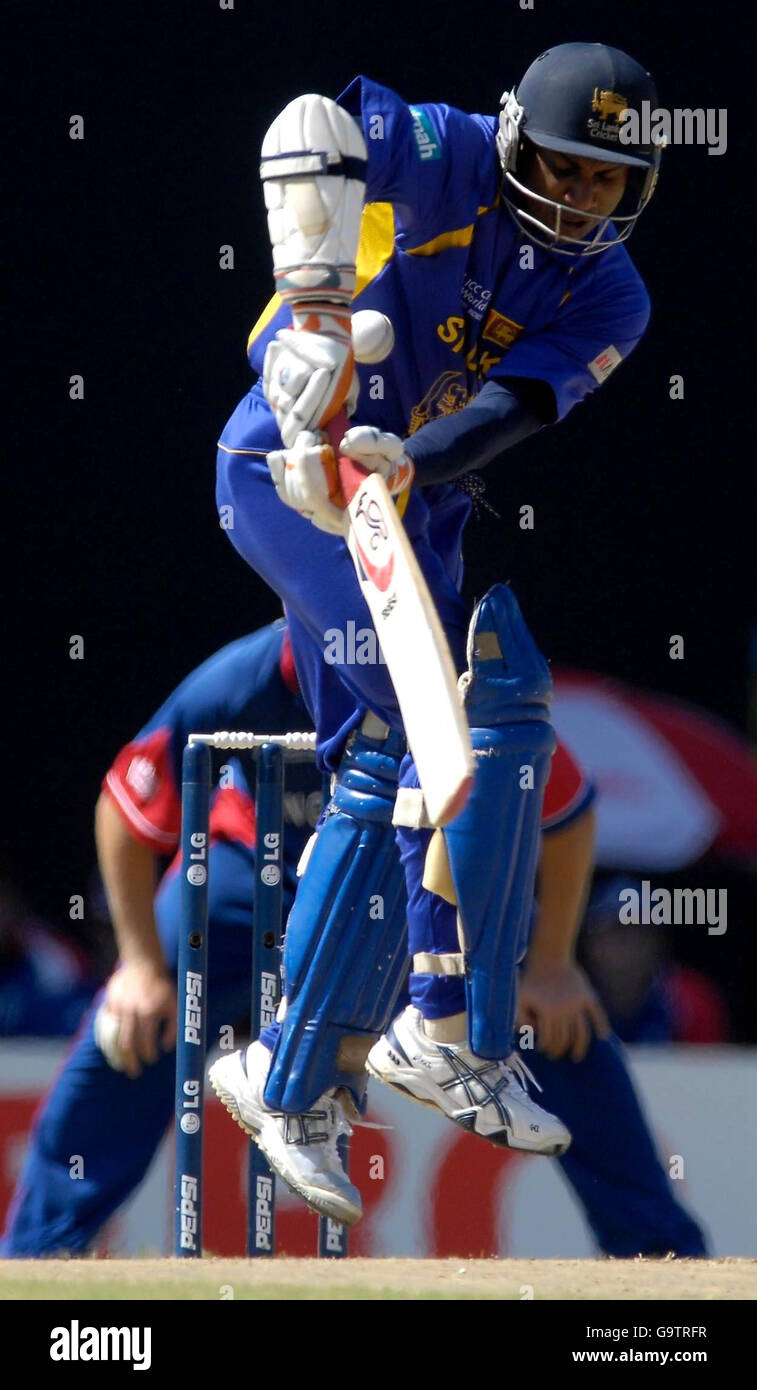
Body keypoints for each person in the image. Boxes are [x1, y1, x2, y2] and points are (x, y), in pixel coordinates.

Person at [211, 42, 667, 1219]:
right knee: (421, 736)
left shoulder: (613, 294)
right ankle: (444, 1022)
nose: (582, 196)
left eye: (607, 180)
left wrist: (411, 459)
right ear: (517, 141)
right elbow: (310, 122)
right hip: (287, 467)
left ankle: (292, 1071)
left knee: (424, 751)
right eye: (565, 167)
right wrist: (309, 314)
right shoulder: (452, 150)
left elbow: (512, 407)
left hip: (407, 501)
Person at [0, 621, 704, 1257]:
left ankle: (662, 1256)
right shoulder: (248, 674)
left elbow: (566, 811)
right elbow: (125, 803)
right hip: (253, 878)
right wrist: (143, 969)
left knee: (554, 1023)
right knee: (131, 1026)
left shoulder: (444, 671)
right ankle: (36, 1257)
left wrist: (549, 966)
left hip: (411, 883)